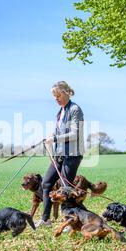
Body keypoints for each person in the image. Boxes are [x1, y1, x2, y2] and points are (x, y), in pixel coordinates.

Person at [36, 81, 85, 227]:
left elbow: (75, 134)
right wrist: (50, 137)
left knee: (65, 189)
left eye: (57, 95)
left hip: (72, 155)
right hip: (59, 154)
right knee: (46, 183)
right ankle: (46, 220)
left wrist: (55, 138)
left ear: (65, 92)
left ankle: (70, 221)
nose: (56, 99)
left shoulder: (75, 109)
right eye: (54, 96)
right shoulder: (60, 111)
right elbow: (59, 131)